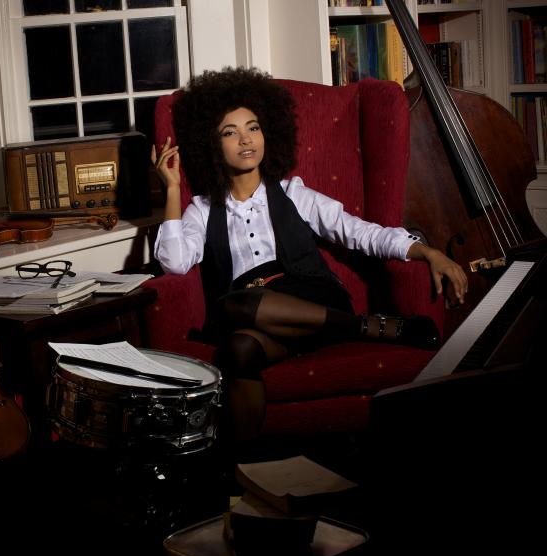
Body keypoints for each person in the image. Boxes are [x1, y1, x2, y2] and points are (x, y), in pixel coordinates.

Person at [151, 66, 468, 445]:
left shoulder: (293, 193)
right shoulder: (202, 209)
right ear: (211, 144)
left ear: (268, 132)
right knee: (237, 349)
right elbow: (173, 261)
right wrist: (171, 188)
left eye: (253, 127)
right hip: (256, 315)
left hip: (308, 296)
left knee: (239, 304)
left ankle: (363, 325)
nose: (246, 139)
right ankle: (243, 473)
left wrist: (425, 250)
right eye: (230, 132)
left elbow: (358, 231)